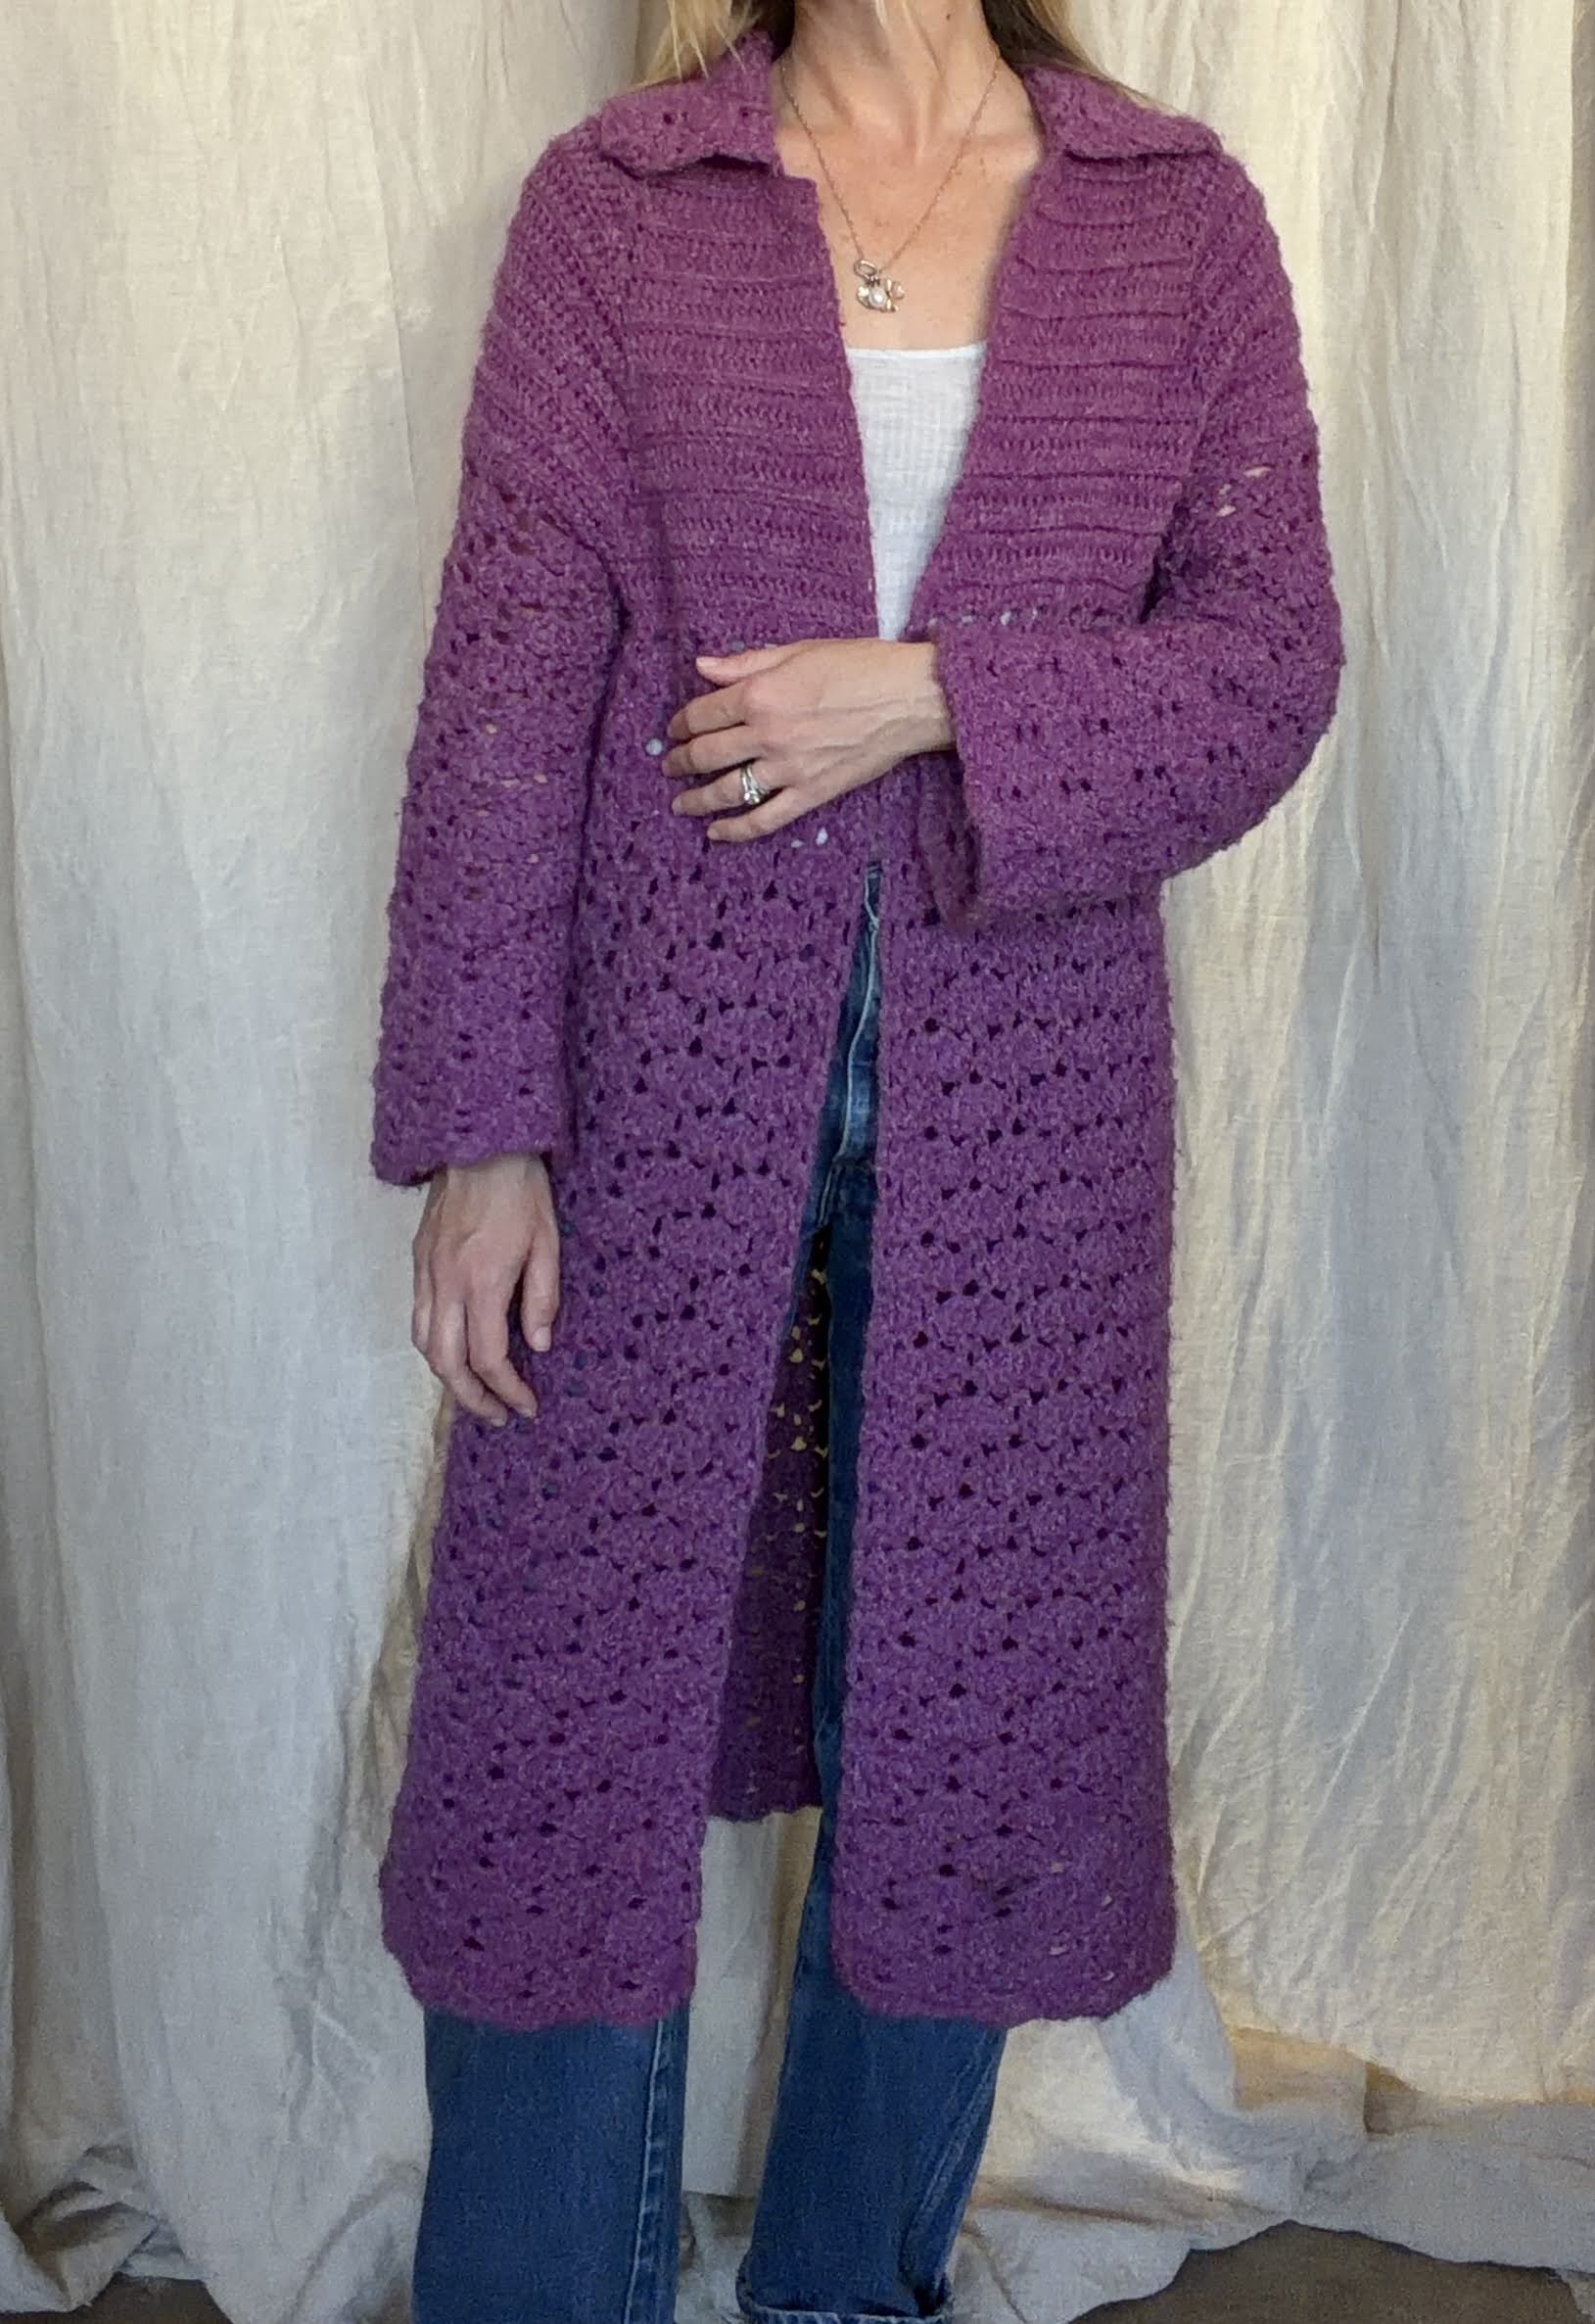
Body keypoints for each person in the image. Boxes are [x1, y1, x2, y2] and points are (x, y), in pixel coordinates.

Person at [368, 3, 1344, 2319]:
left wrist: (926, 696)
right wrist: (485, 1130)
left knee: (968, 1716)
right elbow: (504, 687)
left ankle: (836, 2289)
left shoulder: (1170, 219)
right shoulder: (623, 207)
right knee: (562, 1726)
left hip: (1028, 1116)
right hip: (649, 1093)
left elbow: (1266, 662)